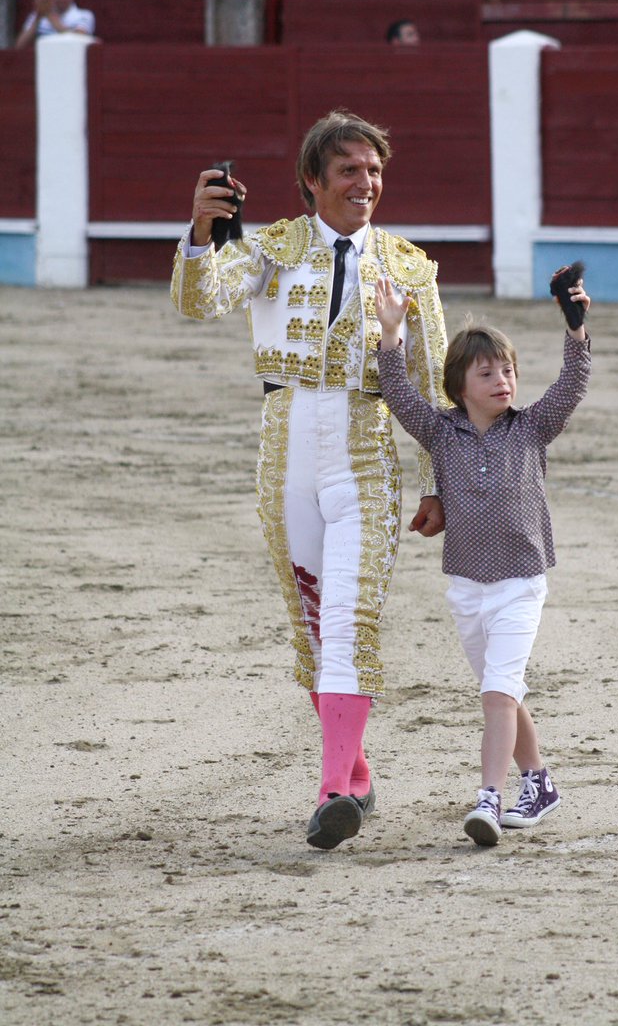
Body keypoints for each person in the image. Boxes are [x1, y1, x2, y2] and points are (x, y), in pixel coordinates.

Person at [170, 110, 448, 852]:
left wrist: (439, 481)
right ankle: (355, 772)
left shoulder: (408, 266)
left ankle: (332, 793)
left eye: (374, 170)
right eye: (350, 170)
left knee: (351, 620)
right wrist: (201, 232)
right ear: (311, 183)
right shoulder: (267, 247)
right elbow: (199, 302)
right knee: (314, 624)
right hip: (284, 450)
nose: (366, 183)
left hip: (364, 450)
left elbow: (428, 382)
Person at [374, 269, 591, 846]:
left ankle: (489, 798)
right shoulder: (441, 433)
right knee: (505, 690)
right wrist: (391, 334)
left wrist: (575, 331)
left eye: (509, 370)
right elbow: (396, 394)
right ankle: (539, 781)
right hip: (467, 588)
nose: (503, 380)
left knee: (497, 691)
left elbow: (571, 385)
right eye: (487, 372)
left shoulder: (532, 428)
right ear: (459, 386)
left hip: (522, 583)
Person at [15, 0, 95, 46]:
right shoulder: (37, 15)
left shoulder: (84, 15)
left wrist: (49, 15)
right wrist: (38, 18)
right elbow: (19, 45)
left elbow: (78, 40)